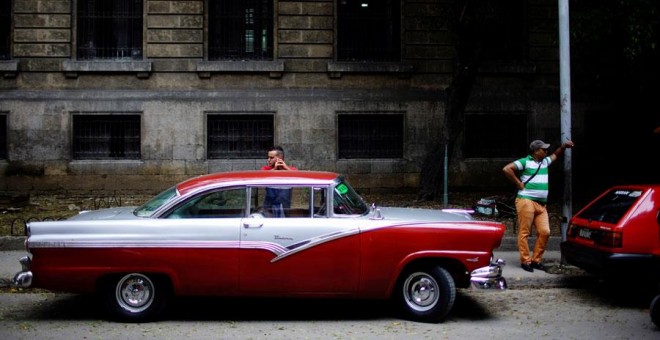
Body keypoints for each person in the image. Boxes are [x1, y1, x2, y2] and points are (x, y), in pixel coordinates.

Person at [502, 139, 575, 272]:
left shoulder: (544, 162)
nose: (546, 151)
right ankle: (526, 261)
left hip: (541, 205)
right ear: (536, 151)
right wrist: (519, 183)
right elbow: (507, 169)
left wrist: (563, 146)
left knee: (545, 232)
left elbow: (556, 154)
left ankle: (536, 260)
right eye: (543, 149)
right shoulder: (526, 161)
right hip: (526, 200)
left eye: (546, 149)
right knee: (524, 232)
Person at [260, 146, 297, 216]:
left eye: (271, 158)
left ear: (280, 158)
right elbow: (262, 176)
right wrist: (274, 169)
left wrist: (286, 168)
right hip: (269, 206)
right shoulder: (266, 169)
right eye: (268, 157)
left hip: (285, 207)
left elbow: (298, 177)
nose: (268, 160)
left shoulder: (291, 169)